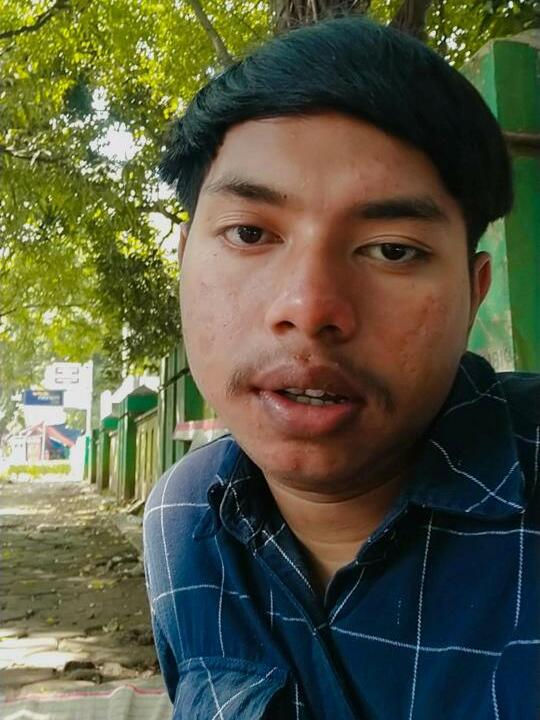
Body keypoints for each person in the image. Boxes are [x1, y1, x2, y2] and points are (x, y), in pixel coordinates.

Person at [143, 16, 540, 719]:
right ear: (184, 260)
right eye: (249, 233)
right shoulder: (183, 522)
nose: (310, 307)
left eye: (392, 249)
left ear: (473, 292)